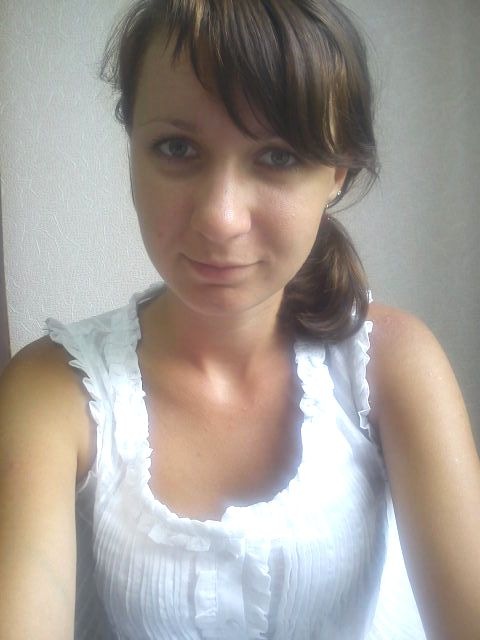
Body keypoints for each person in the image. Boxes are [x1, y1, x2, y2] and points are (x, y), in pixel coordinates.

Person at [1, 0, 479, 638]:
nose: (220, 218)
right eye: (177, 148)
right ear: (132, 150)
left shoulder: (393, 365)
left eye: (278, 156)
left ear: (336, 173)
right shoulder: (52, 390)